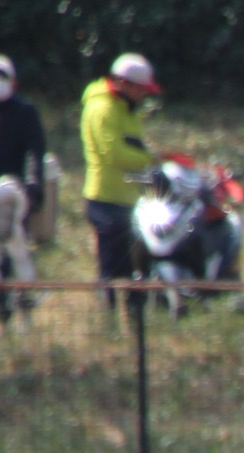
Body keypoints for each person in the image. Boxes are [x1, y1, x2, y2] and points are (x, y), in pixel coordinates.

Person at [81, 52, 158, 288]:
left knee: (133, 267)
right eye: (140, 89)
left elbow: (135, 146)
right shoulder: (102, 109)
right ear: (123, 83)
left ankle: (133, 308)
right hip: (106, 200)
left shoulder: (126, 109)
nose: (143, 94)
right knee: (112, 269)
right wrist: (151, 159)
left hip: (128, 199)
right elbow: (114, 154)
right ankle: (110, 309)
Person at [0, 56, 48, 215]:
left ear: (13, 82)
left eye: (2, 77)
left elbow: (34, 152)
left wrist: (33, 184)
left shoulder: (24, 113)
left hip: (11, 191)